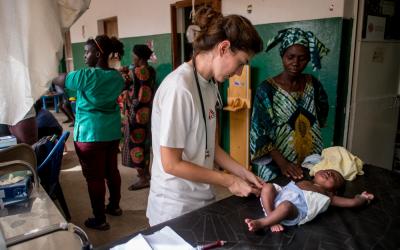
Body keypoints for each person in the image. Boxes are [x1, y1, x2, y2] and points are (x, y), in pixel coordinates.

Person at [146, 6, 264, 226]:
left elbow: (210, 146)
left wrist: (243, 172)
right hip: (174, 207)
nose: (239, 73)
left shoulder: (210, 84)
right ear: (223, 47)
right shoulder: (179, 88)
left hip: (202, 200)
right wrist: (229, 180)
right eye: (240, 63)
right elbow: (171, 164)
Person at [53, 35, 125, 231]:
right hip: (110, 132)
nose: (84, 56)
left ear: (99, 53)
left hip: (90, 134)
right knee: (112, 171)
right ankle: (114, 206)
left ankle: (99, 219)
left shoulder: (86, 76)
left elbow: (58, 79)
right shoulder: (117, 77)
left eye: (87, 52)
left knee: (94, 178)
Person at [250, 27, 330, 182]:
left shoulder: (313, 85)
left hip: (310, 163)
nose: (295, 63)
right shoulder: (266, 90)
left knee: (311, 200)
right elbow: (259, 133)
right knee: (278, 201)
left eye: (302, 58)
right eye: (290, 57)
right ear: (282, 56)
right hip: (276, 166)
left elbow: (321, 115)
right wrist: (283, 163)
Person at [245, 169, 374, 232]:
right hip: (277, 201)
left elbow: (352, 203)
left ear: (333, 191)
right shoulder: (306, 181)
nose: (329, 173)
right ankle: (271, 216)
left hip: (293, 210)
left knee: (286, 206)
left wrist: (362, 197)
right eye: (328, 171)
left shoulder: (328, 196)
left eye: (333, 177)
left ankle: (262, 223)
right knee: (268, 187)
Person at [120, 44, 156, 191]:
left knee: (135, 146)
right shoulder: (151, 70)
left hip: (135, 115)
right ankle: (146, 174)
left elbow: (127, 88)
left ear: (139, 57)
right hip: (147, 113)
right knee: (144, 145)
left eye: (133, 56)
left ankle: (143, 178)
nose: (132, 58)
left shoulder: (135, 72)